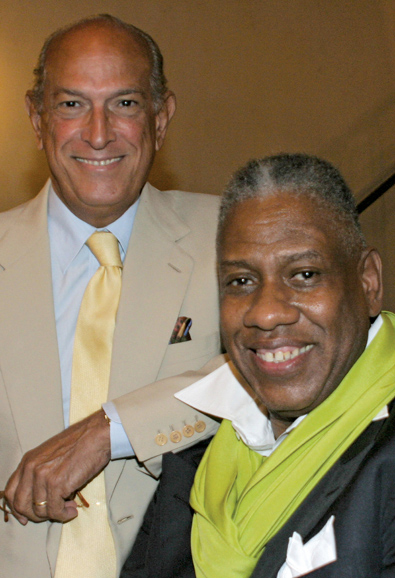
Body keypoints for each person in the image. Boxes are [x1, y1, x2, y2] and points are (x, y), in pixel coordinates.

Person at [0, 14, 222, 577]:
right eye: (71, 104)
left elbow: (281, 373)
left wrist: (112, 429)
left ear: (162, 115)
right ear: (35, 116)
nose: (98, 134)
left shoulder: (230, 236)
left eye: (124, 103)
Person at [121, 153, 395, 578]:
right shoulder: (195, 469)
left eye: (304, 274)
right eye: (241, 281)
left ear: (368, 282)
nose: (265, 313)